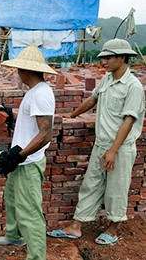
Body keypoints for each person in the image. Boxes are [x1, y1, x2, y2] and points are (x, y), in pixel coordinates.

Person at [47, 38, 145, 245]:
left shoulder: (133, 86)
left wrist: (113, 151)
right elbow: (92, 100)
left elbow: (129, 121)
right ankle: (76, 227)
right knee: (90, 185)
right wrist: (72, 116)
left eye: (108, 58)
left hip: (120, 149)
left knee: (116, 189)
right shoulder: (107, 79)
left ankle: (113, 228)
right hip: (101, 144)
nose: (104, 62)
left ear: (122, 57)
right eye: (103, 58)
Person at [0, 45, 57, 260]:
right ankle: (14, 235)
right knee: (12, 199)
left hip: (28, 161)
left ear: (27, 71)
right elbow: (32, 119)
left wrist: (19, 156)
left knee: (30, 212)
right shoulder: (34, 92)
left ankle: (37, 256)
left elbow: (46, 133)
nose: (18, 73)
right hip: (22, 158)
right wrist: (11, 113)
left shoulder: (41, 94)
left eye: (19, 69)